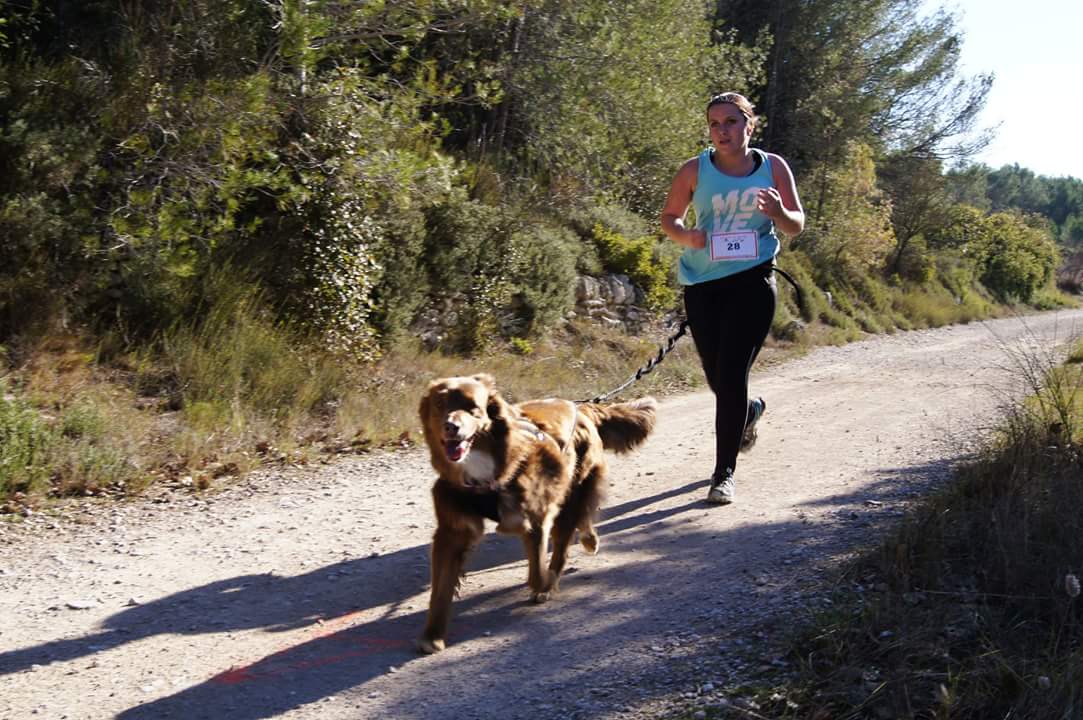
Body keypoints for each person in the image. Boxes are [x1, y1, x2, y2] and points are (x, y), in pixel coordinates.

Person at [660, 92, 804, 504]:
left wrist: (778, 212)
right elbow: (669, 217)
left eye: (731, 122)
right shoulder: (694, 170)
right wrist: (686, 235)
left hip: (753, 279)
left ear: (748, 125)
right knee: (716, 377)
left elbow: (795, 225)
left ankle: (723, 474)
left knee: (733, 372)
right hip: (703, 283)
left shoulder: (773, 167)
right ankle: (749, 411)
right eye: (715, 124)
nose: (722, 131)